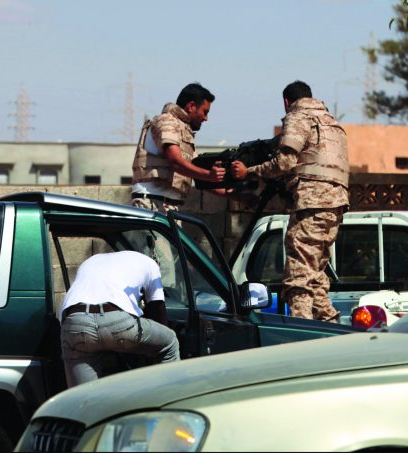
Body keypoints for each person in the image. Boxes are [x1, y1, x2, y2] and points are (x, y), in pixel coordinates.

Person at [231, 81, 350, 322]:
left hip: (312, 203)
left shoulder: (298, 116)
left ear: (287, 102)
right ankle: (331, 329)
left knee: (298, 278)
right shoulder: (332, 123)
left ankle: (300, 336)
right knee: (314, 276)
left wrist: (249, 172)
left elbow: (284, 164)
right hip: (335, 206)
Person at [59, 250, 180, 387]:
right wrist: (151, 349)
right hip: (117, 321)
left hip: (74, 323)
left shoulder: (90, 261)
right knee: (169, 342)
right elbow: (157, 308)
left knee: (83, 398)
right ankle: (171, 397)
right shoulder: (151, 264)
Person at [130, 82, 227, 213]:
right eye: (205, 112)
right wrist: (209, 175)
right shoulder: (166, 121)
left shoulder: (183, 130)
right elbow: (176, 162)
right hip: (151, 204)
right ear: (191, 106)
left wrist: (233, 193)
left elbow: (196, 173)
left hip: (167, 206)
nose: (206, 118)